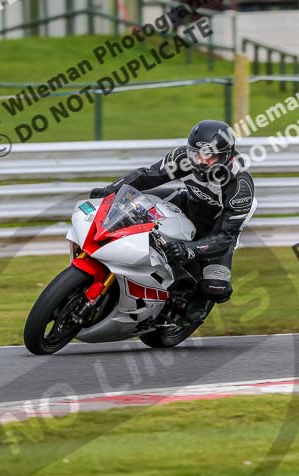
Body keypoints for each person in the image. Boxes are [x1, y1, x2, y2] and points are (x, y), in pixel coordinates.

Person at [89, 120, 256, 324]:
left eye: (210, 157)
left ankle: (194, 301)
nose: (202, 162)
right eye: (197, 154)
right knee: (132, 205)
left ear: (226, 154)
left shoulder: (239, 186)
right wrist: (109, 190)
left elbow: (224, 237)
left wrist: (189, 249)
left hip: (215, 229)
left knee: (215, 288)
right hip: (186, 203)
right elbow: (147, 177)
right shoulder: (183, 158)